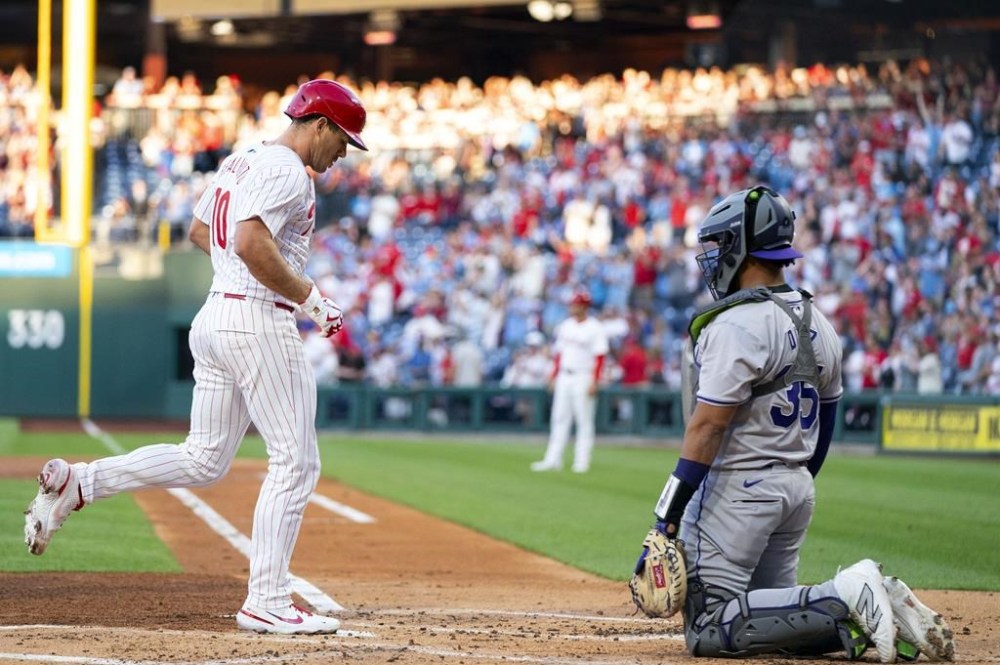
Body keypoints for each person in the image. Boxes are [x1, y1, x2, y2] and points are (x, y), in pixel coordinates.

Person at [23, 79, 369, 635]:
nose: (342, 154)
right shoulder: (287, 170)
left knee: (205, 458)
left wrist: (240, 276)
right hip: (258, 321)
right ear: (321, 125)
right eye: (343, 140)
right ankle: (268, 599)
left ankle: (81, 482)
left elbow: (199, 231)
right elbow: (251, 242)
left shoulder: (242, 160)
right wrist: (309, 298)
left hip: (216, 317)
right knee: (296, 462)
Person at [634, 186, 954, 661]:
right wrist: (796, 478)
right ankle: (874, 601)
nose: (715, 256)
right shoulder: (820, 322)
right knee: (777, 626)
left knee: (707, 626)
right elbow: (827, 421)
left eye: (722, 245)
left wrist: (666, 517)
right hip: (795, 489)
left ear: (742, 248)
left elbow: (707, 428)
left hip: (738, 489)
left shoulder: (735, 323)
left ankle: (847, 593)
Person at [531, 289, 609, 473]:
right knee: (559, 418)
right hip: (565, 375)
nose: (572, 307)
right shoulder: (566, 325)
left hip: (583, 376)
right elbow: (559, 354)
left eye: (576, 304)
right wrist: (553, 374)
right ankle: (553, 459)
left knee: (584, 420)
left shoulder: (594, 327)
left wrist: (595, 380)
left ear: (584, 306)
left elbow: (599, 357)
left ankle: (582, 461)